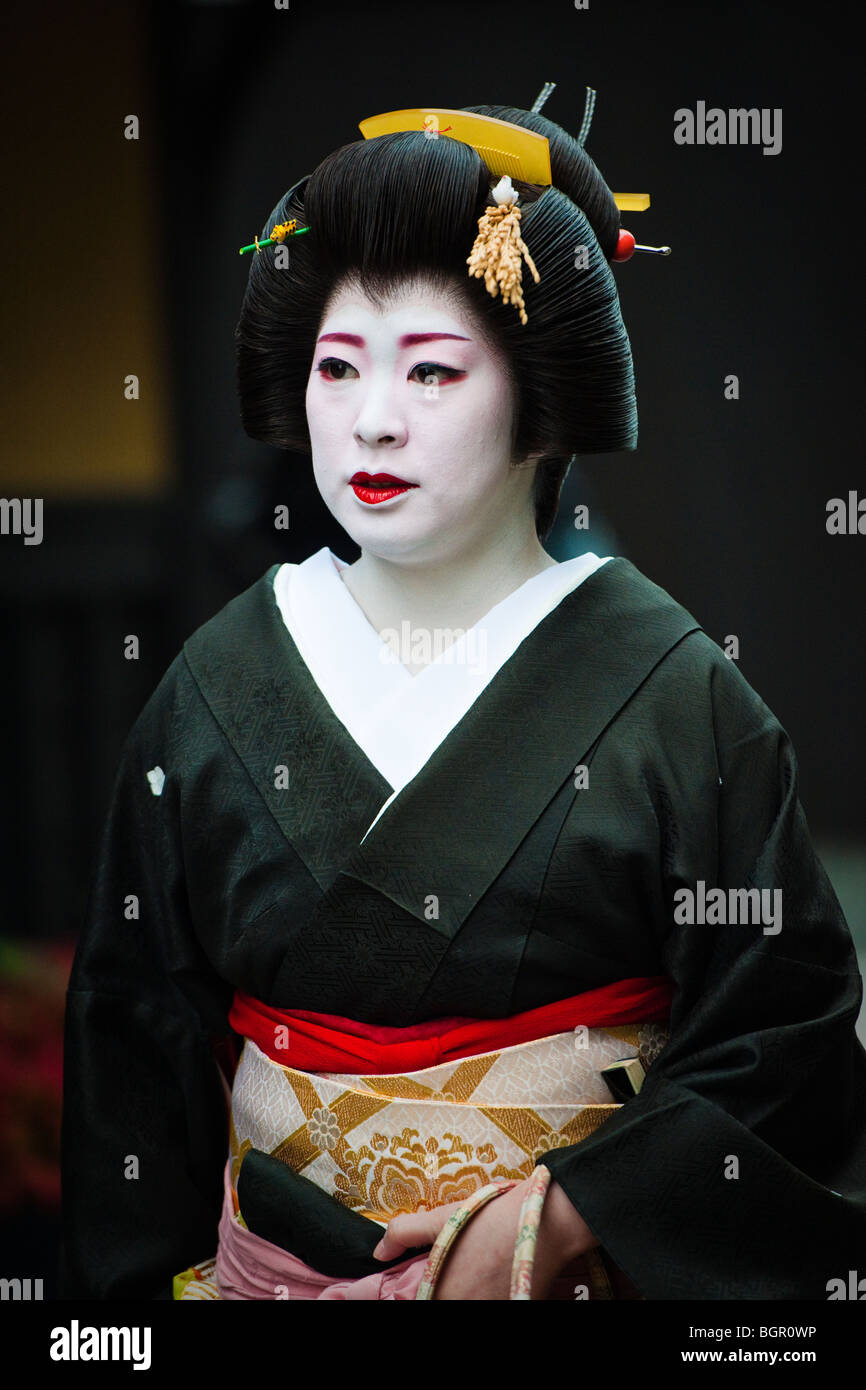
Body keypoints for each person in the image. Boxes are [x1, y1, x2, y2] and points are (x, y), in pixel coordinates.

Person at [61, 91, 866, 1301]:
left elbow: (788, 1038)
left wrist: (586, 1206)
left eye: (432, 370)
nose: (372, 419)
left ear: (541, 404)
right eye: (338, 367)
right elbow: (133, 1046)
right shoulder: (217, 684)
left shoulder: (676, 693)